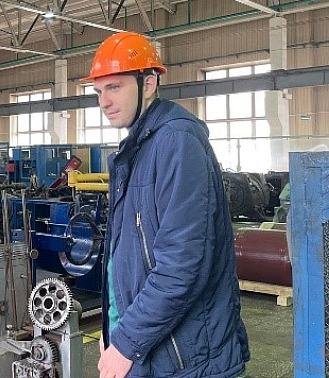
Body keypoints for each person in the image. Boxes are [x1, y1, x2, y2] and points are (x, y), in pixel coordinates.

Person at [84, 32, 249, 378]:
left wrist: (127, 341)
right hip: (151, 347)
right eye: (99, 92)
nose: (104, 102)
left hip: (186, 360)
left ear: (148, 83)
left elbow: (181, 265)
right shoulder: (137, 149)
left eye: (114, 87)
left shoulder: (177, 142)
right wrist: (114, 328)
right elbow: (127, 256)